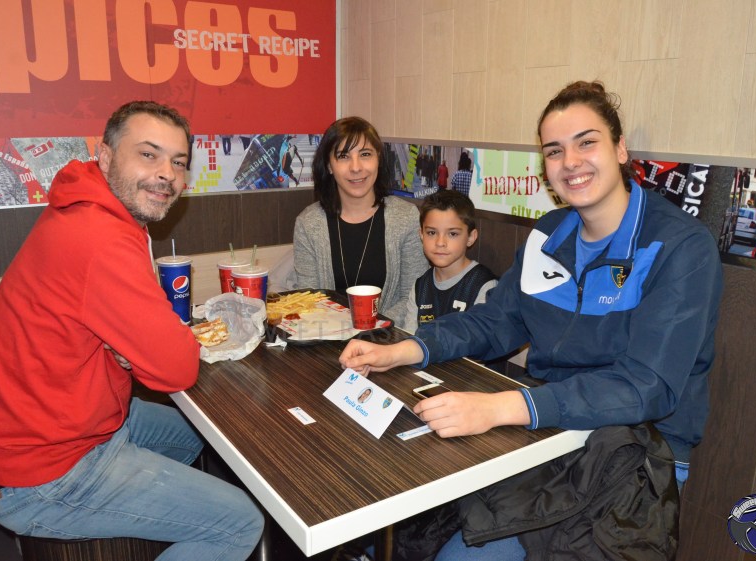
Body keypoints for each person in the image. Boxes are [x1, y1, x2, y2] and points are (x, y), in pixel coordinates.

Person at [339, 81, 723, 559]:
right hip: (548, 433)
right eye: (554, 151)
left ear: (620, 149)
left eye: (587, 142)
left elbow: (647, 387)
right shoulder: (548, 234)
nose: (571, 162)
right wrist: (405, 349)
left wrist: (499, 408)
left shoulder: (680, 246)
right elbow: (496, 321)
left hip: (639, 455)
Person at [0, 101, 264, 560]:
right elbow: (177, 367)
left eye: (178, 162)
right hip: (40, 471)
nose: (166, 174)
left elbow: (132, 335)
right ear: (105, 157)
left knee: (212, 438)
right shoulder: (100, 236)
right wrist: (141, 346)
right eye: (148, 154)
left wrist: (129, 346)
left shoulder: (92, 209)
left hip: (70, 425)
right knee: (239, 522)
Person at [293, 116, 428, 326]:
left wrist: (371, 329)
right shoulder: (308, 224)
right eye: (343, 156)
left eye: (365, 154)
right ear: (329, 165)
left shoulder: (406, 217)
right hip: (329, 337)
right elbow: (310, 301)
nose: (356, 167)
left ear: (378, 159)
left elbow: (413, 297)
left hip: (390, 338)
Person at [402, 190, 497, 333]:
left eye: (452, 234)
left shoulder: (484, 285)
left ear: (471, 237)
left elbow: (480, 342)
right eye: (432, 233)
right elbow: (410, 338)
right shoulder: (420, 287)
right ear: (421, 235)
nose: (440, 242)